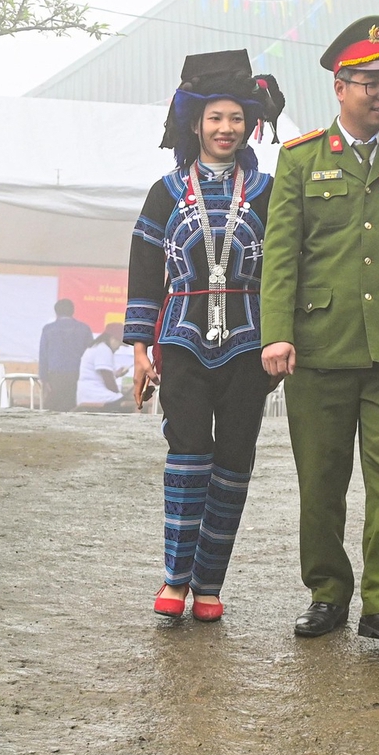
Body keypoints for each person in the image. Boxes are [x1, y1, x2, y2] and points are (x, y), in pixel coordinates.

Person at [261, 16, 379, 643]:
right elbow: (281, 255)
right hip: (318, 347)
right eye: (371, 82)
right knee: (320, 480)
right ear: (340, 87)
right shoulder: (300, 160)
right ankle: (326, 593)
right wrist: (276, 334)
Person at [124, 50, 286, 622]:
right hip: (183, 341)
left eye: (237, 119)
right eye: (215, 118)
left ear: (251, 126)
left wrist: (283, 338)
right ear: (195, 124)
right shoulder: (165, 192)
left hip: (249, 344)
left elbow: (286, 269)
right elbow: (145, 272)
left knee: (234, 460)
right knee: (188, 453)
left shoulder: (268, 191)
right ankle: (175, 577)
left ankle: (211, 584)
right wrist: (142, 350)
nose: (226, 129)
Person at [37, 299, 92, 411]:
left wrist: (44, 378)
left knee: (52, 409)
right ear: (73, 311)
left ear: (56, 312)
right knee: (72, 407)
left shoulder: (48, 329)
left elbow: (43, 356)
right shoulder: (84, 329)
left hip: (55, 376)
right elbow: (89, 355)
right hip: (77, 375)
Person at [76, 322, 132, 411]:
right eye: (119, 344)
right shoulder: (103, 349)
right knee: (129, 405)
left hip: (88, 394)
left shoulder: (97, 347)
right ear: (113, 339)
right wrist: (119, 395)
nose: (118, 348)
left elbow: (100, 375)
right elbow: (108, 379)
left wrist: (116, 374)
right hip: (96, 395)